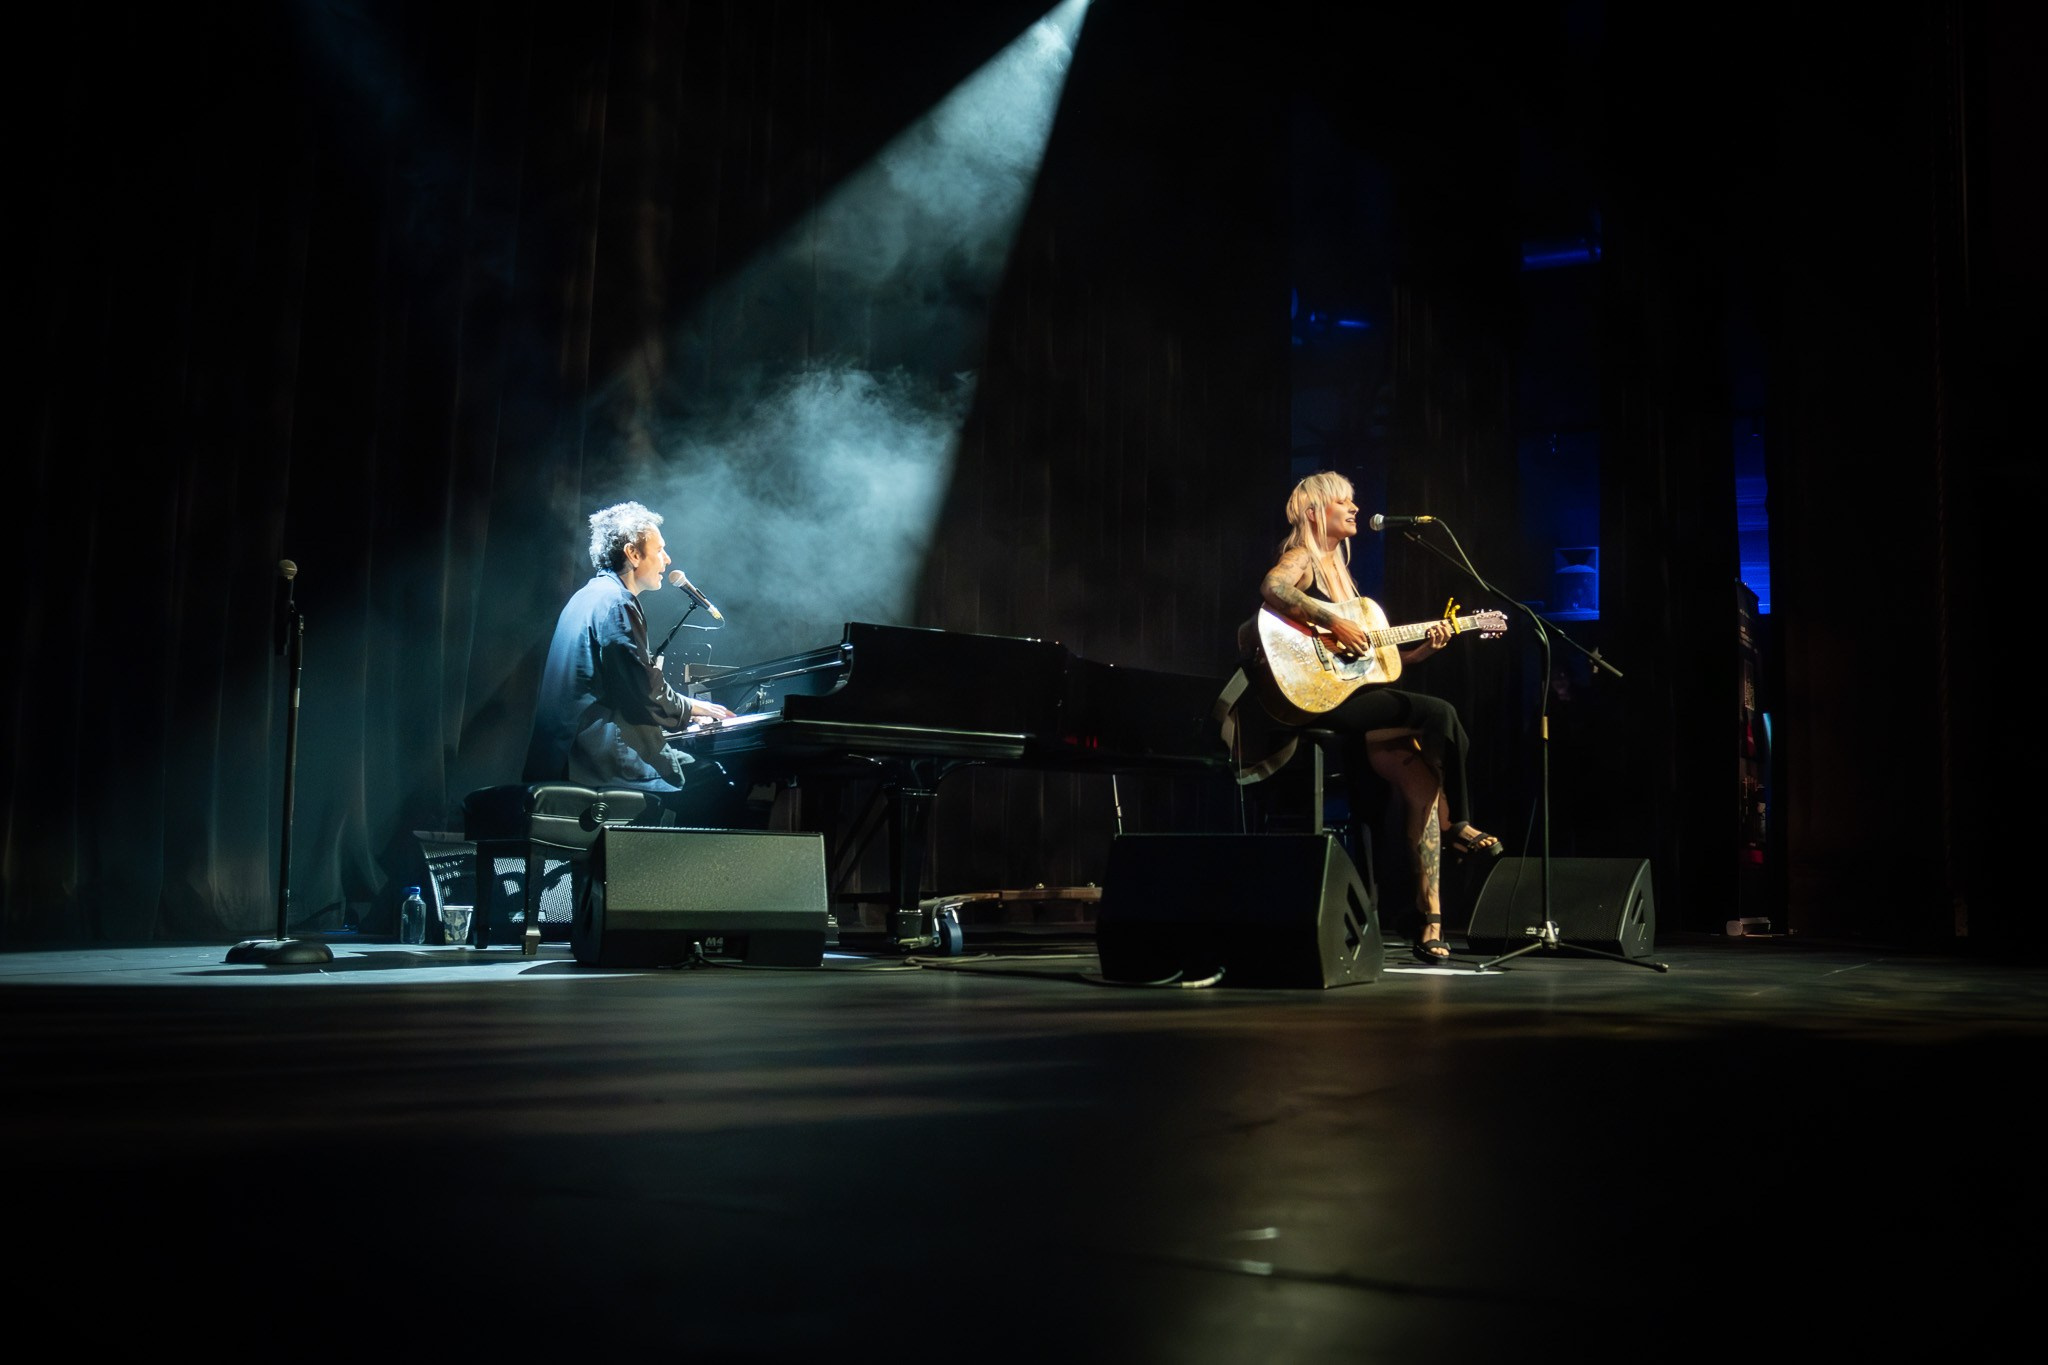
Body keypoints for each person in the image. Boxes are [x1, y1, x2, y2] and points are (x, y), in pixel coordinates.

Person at [1255, 471, 1500, 964]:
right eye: (1343, 502)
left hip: (1358, 698)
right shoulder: (1303, 557)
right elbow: (1272, 586)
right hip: (1323, 700)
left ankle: (1430, 920)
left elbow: (1374, 666)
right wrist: (1333, 619)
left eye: (1353, 501)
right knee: (1441, 713)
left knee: (1426, 782)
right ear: (1314, 512)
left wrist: (1422, 652)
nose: (1354, 508)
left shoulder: (1345, 575)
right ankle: (1461, 823)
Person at [523, 501, 734, 800]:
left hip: (564, 755)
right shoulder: (617, 603)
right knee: (715, 781)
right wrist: (694, 708)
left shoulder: (586, 597)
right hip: (595, 760)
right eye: (659, 550)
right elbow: (644, 693)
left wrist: (684, 710)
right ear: (633, 554)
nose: (667, 560)